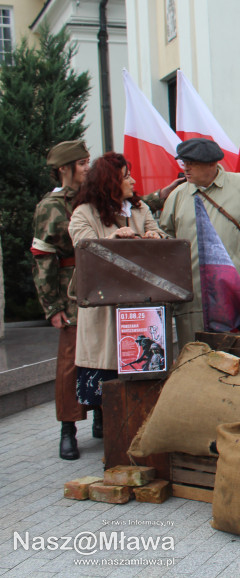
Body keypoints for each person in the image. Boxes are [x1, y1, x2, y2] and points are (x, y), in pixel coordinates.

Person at [68, 154, 166, 432]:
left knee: (143, 369)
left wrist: (155, 237)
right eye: (126, 176)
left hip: (141, 306)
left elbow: (156, 231)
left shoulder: (139, 208)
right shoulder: (83, 213)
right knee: (108, 370)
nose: (132, 181)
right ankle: (110, 431)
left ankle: (137, 431)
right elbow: (83, 245)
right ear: (109, 181)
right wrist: (113, 239)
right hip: (104, 309)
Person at [159, 139, 240, 348]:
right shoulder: (177, 196)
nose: (186, 168)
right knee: (194, 361)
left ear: (211, 164)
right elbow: (165, 238)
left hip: (237, 294)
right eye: (184, 163)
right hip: (193, 299)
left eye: (191, 163)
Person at [31, 140, 92, 460]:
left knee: (102, 356)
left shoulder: (92, 197)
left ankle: (101, 418)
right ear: (65, 168)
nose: (87, 168)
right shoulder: (50, 207)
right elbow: (43, 258)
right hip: (70, 296)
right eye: (82, 163)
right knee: (70, 363)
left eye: (87, 162)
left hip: (100, 291)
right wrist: (52, 306)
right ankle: (68, 428)